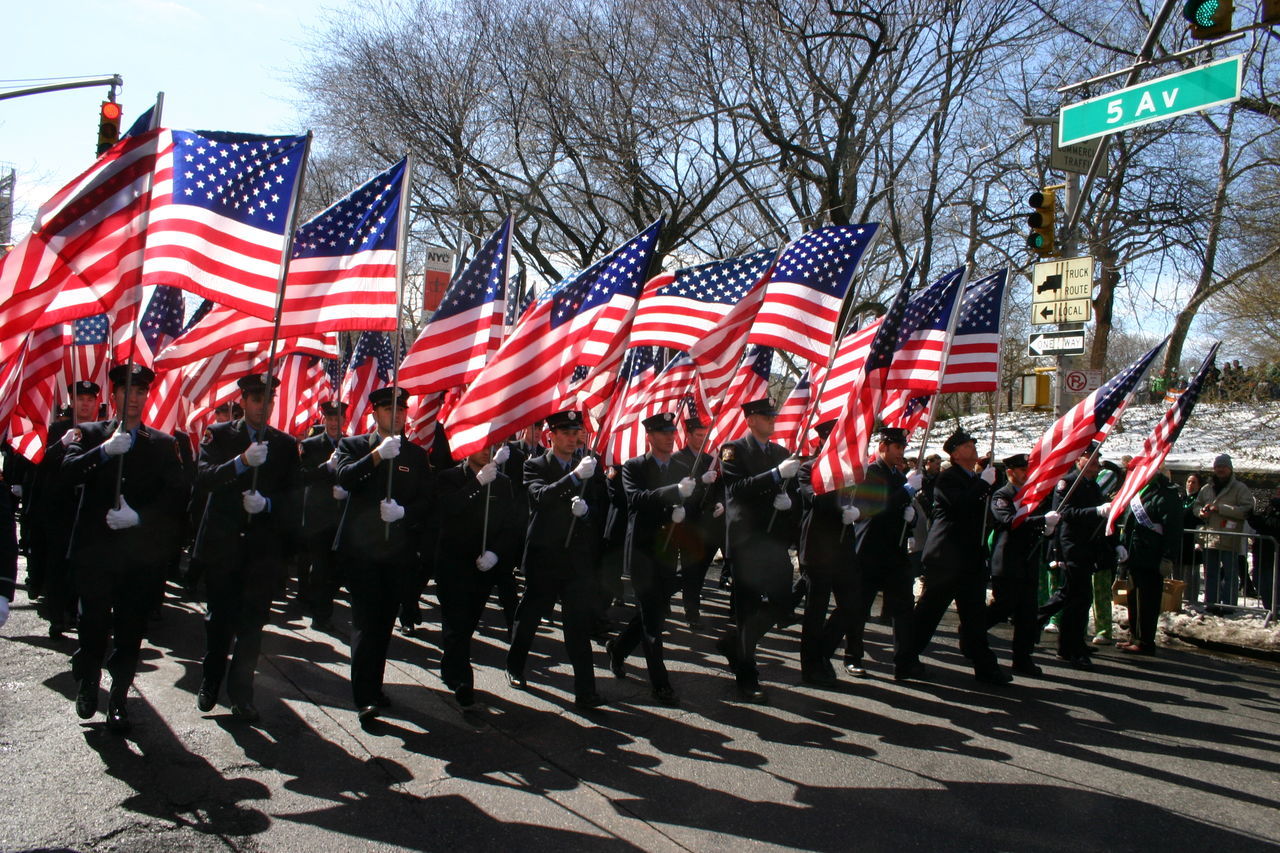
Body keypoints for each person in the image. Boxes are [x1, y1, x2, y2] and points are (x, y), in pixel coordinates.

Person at [61, 364, 186, 732]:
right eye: (126, 390)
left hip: (138, 557)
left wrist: (140, 519)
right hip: (95, 553)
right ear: (112, 395)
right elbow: (65, 472)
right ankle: (88, 680)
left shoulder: (162, 444)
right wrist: (102, 451)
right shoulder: (86, 433)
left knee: (131, 629)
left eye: (141, 392)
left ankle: (118, 696)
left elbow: (177, 497)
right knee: (93, 624)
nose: (133, 398)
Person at [194, 374, 301, 723]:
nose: (263, 405)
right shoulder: (220, 434)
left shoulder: (284, 444)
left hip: (262, 552)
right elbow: (205, 476)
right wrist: (241, 462)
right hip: (224, 546)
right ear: (242, 401)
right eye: (257, 399)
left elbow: (295, 499)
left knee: (252, 628)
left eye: (269, 399)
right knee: (219, 622)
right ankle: (211, 681)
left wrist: (268, 505)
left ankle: (242, 694)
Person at [333, 387, 433, 725]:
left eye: (402, 410)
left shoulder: (416, 456)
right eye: (389, 410)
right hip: (361, 553)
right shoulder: (354, 445)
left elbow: (427, 502)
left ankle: (374, 687)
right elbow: (345, 477)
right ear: (375, 413)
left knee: (384, 623)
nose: (398, 415)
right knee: (365, 621)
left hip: (397, 553)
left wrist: (404, 512)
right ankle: (364, 698)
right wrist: (376, 455)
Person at [506, 409, 610, 710]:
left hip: (576, 559)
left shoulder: (588, 464)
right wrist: (573, 478)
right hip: (545, 556)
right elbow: (541, 497)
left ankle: (586, 690)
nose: (571, 438)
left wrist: (587, 510)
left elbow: (601, 505)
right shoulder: (535, 465)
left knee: (577, 624)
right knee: (530, 617)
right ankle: (515, 663)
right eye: (564, 432)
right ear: (551, 435)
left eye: (575, 432)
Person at [608, 412, 712, 705]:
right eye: (662, 432)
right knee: (653, 621)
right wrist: (672, 494)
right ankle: (660, 682)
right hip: (642, 552)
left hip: (668, 552)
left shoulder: (682, 465)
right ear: (649, 437)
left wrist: (685, 508)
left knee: (650, 613)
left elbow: (690, 501)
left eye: (671, 432)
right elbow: (636, 499)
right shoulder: (634, 466)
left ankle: (617, 649)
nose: (669, 437)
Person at [714, 398, 801, 703]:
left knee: (782, 602)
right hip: (745, 539)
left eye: (772, 416)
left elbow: (789, 489)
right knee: (747, 608)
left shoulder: (780, 452)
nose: (771, 420)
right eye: (765, 417)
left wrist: (789, 500)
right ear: (751, 420)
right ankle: (747, 676)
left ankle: (733, 644)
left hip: (772, 539)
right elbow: (737, 488)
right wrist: (776, 476)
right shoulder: (733, 449)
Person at [904, 429, 1007, 684]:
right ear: (956, 452)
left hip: (969, 559)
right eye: (968, 445)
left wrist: (985, 483)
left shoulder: (972, 477)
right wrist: (983, 483)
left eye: (973, 444)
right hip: (947, 558)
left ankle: (986, 667)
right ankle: (905, 659)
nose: (973, 448)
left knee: (974, 616)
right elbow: (960, 506)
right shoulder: (947, 478)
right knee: (929, 613)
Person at [434, 443, 519, 708]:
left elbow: (510, 524)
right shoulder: (449, 477)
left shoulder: (503, 482)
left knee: (467, 623)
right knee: (456, 622)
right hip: (453, 564)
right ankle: (463, 681)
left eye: (490, 446)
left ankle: (450, 665)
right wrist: (477, 485)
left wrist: (496, 552)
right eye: (481, 445)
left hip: (484, 566)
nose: (486, 451)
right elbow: (446, 510)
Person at [1037, 448, 1119, 670]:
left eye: (1097, 459)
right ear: (1079, 460)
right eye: (1089, 458)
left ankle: (1069, 644)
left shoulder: (1092, 485)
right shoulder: (1068, 482)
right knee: (1076, 597)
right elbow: (1065, 513)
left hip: (1088, 547)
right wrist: (1096, 511)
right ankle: (1069, 646)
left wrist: (1114, 544)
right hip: (1071, 547)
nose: (1095, 463)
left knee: (1077, 597)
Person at [986, 453, 1051, 675]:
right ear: (1011, 472)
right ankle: (972, 630)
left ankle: (1022, 659)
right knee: (1004, 607)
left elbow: (1033, 523)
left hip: (1028, 560)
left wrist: (1047, 527)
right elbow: (1008, 521)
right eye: (1023, 470)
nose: (1027, 474)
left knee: (1027, 613)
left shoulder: (1031, 495)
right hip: (1008, 561)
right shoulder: (1002, 495)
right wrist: (1041, 521)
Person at [1117, 470, 1183, 655]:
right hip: (1135, 554)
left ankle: (1145, 640)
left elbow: (1173, 529)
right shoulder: (1140, 490)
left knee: (1147, 600)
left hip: (1152, 556)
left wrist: (1168, 557)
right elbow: (1129, 522)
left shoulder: (1167, 495)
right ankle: (1134, 635)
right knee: (1133, 597)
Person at [297, 400, 348, 631]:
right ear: (324, 420)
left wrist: (346, 489)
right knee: (319, 567)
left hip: (341, 517)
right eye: (330, 418)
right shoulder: (310, 445)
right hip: (318, 515)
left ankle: (321, 602)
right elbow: (303, 477)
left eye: (339, 418)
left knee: (337, 569)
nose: (335, 423)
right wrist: (327, 468)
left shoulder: (351, 445)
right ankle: (320, 615)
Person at [672, 414, 724, 628]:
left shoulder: (708, 458)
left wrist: (721, 503)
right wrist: (701, 482)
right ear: (689, 435)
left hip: (708, 522)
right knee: (690, 567)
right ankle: (691, 610)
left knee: (700, 568)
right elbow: (679, 492)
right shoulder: (677, 459)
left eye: (705, 435)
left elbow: (721, 486)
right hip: (688, 520)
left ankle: (689, 596)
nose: (703, 439)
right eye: (699, 435)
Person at [1194, 454, 1253, 607]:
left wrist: (1221, 508)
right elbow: (1196, 505)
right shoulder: (1206, 489)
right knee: (1210, 574)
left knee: (1230, 574)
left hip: (1229, 538)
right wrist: (1201, 512)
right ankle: (1210, 603)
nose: (1220, 470)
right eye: (1217, 467)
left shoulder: (1240, 488)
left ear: (1230, 469)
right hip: (1210, 537)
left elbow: (1247, 510)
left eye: (1223, 467)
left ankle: (1229, 605)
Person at [1246, 485, 1280, 612]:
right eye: (1277, 490)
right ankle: (1270, 609)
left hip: (1274, 553)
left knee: (1272, 583)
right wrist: (1252, 517)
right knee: (1259, 579)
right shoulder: (1271, 507)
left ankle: (1275, 610)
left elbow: (1272, 525)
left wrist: (1260, 522)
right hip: (1262, 551)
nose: (1278, 492)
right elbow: (1262, 523)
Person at [1179, 473, 1204, 601]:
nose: (1190, 484)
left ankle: (1191, 597)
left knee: (1191, 572)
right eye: (1189, 481)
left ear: (1199, 485)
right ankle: (1178, 597)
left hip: (1192, 539)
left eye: (1194, 482)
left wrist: (1199, 540)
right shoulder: (1181, 498)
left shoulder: (1199, 500)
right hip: (1180, 540)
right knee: (1178, 570)